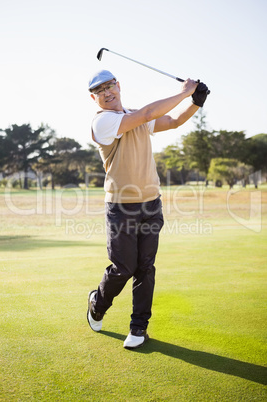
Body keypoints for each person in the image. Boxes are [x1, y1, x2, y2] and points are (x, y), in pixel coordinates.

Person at [87, 69, 209, 349]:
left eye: (110, 86)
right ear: (94, 98)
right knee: (123, 267)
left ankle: (138, 328)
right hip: (121, 207)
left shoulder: (135, 115)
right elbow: (145, 115)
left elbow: (174, 121)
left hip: (151, 203)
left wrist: (196, 102)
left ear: (119, 85)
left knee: (145, 267)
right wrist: (184, 92)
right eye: (100, 91)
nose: (107, 93)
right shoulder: (103, 121)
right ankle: (98, 302)